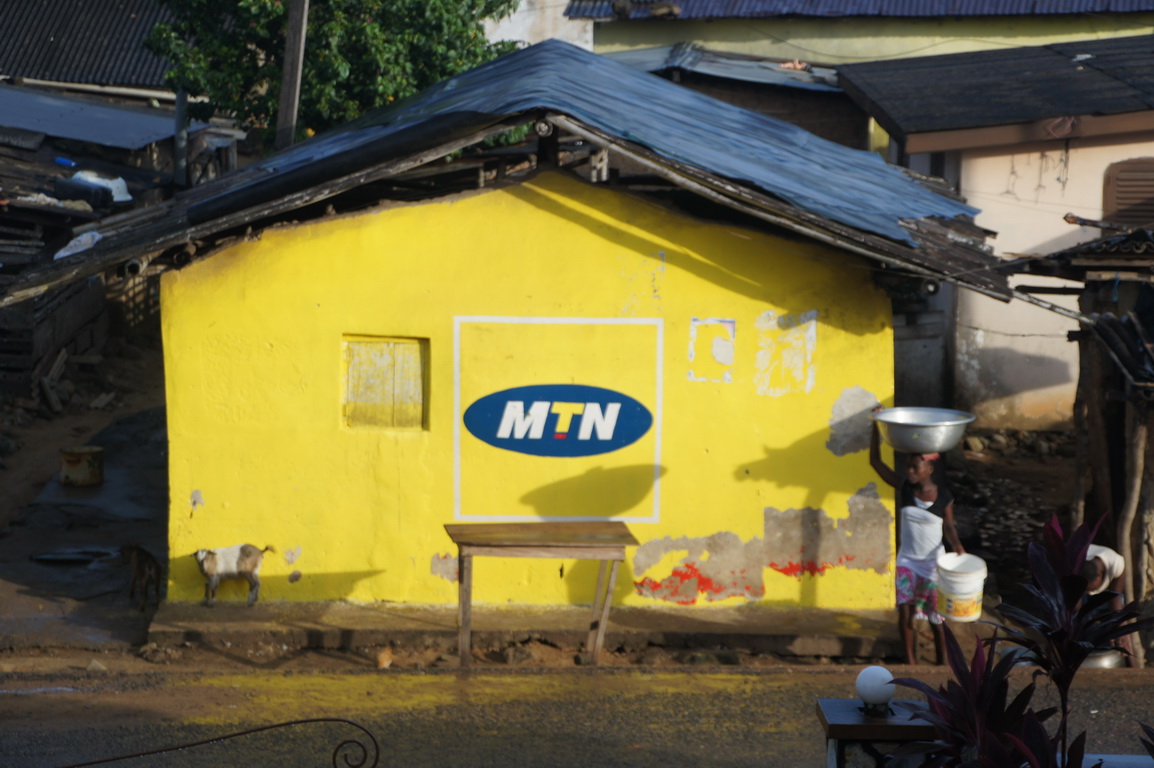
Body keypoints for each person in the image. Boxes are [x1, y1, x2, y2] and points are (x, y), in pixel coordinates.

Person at [870, 415, 965, 665]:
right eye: (908, 467)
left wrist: (957, 546)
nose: (909, 471)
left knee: (936, 617)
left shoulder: (944, 497)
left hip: (933, 564)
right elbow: (875, 462)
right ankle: (911, 664)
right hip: (908, 562)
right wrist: (875, 426)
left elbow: (949, 527)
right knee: (905, 612)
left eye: (915, 467)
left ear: (929, 469)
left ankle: (942, 663)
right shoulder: (905, 489)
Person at [1084, 543, 1135, 665]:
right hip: (1080, 597)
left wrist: (1119, 626)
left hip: (1107, 596)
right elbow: (1075, 607)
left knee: (1123, 631)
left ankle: (1133, 666)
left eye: (1091, 588)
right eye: (1086, 589)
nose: (1090, 591)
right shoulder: (1075, 564)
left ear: (1100, 575)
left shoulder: (1117, 564)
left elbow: (1115, 599)